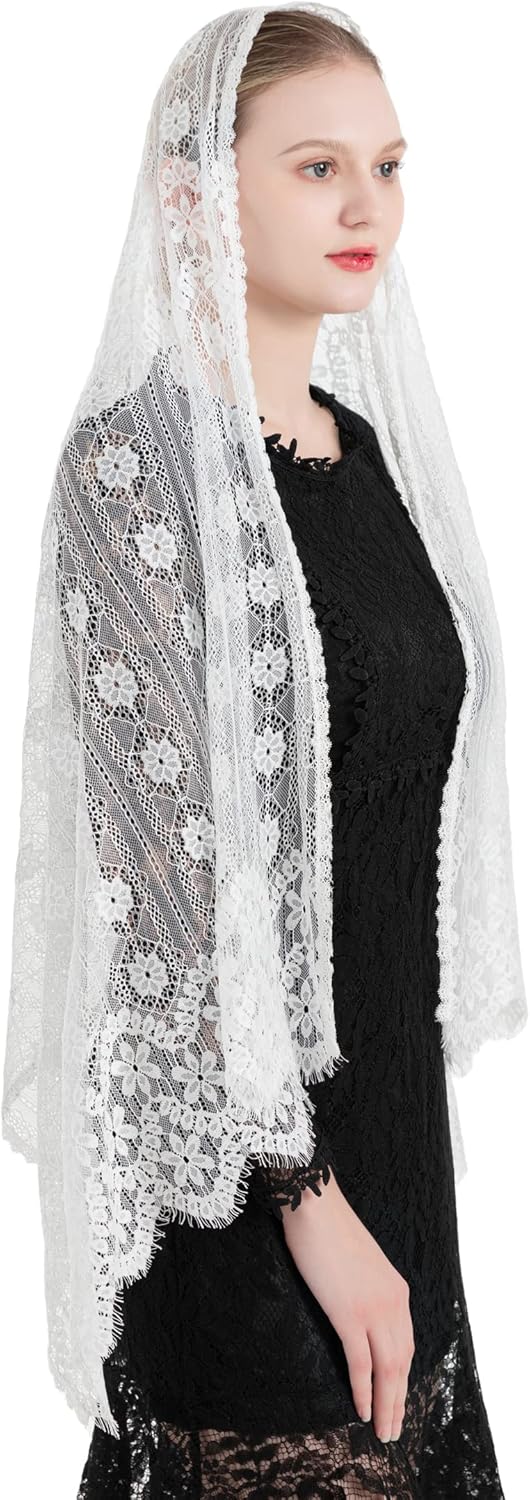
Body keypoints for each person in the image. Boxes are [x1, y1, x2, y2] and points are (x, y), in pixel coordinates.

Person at [1, 6, 526, 1496]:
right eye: (316, 167)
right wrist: (310, 1203)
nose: (369, 206)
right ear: (195, 192)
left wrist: (381, 1200)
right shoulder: (137, 473)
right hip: (249, 1197)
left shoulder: (374, 459)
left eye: (387, 166)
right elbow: (166, 906)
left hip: (398, 1160)